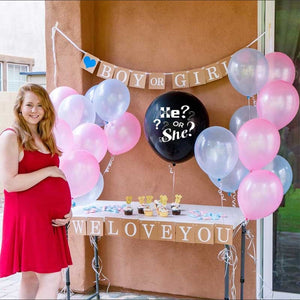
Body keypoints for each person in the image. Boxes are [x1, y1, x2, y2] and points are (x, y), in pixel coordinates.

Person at [0, 83, 72, 299]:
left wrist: (67, 210)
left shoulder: (45, 136)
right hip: (28, 218)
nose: (34, 110)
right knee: (52, 278)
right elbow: (9, 183)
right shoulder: (11, 137)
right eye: (29, 104)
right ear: (19, 107)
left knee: (31, 277)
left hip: (48, 220)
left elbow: (57, 181)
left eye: (40, 105)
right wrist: (49, 170)